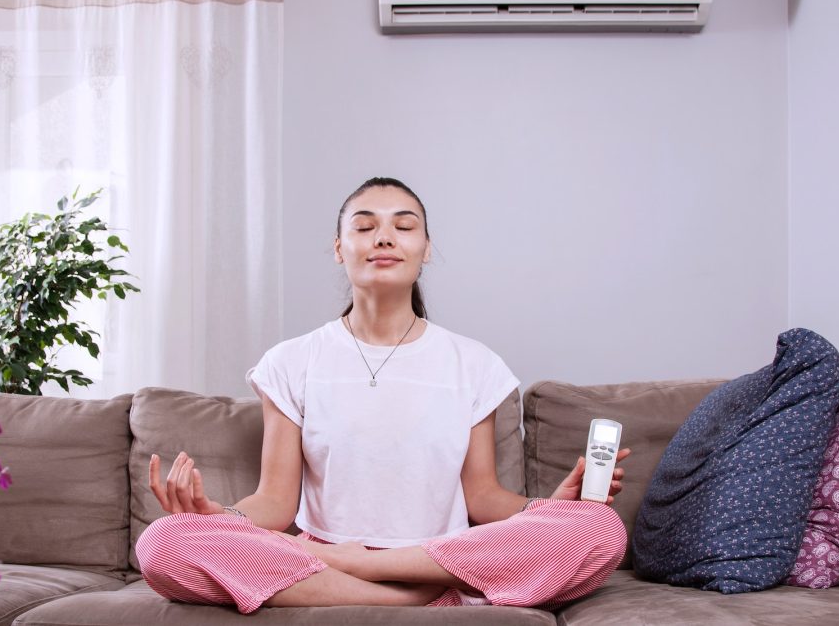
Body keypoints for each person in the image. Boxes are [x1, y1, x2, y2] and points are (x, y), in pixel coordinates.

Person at [135, 178, 631, 612]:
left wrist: (547, 510)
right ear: (338, 248)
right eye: (365, 225)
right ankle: (396, 594)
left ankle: (378, 571)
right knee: (163, 542)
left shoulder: (473, 363)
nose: (385, 237)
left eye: (404, 225)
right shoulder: (292, 361)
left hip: (434, 556)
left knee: (599, 530)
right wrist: (222, 517)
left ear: (426, 248)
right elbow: (275, 502)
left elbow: (482, 498)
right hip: (324, 555)